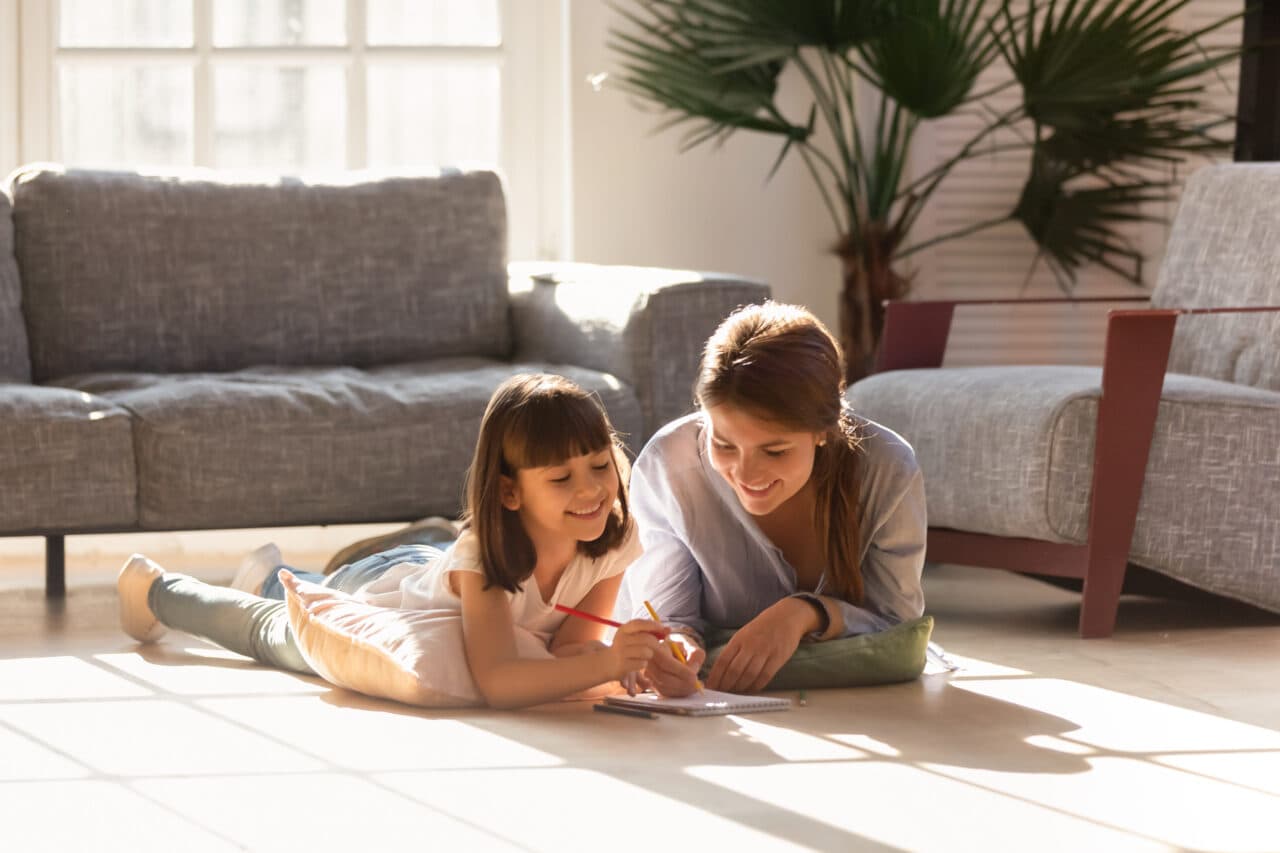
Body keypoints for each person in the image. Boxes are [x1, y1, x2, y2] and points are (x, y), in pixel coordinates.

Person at [117, 373, 665, 709]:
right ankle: (158, 588)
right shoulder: (488, 556)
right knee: (278, 634)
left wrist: (648, 662)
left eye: (599, 464)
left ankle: (413, 540)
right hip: (385, 590)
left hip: (435, 564)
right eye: (561, 478)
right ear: (509, 492)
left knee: (426, 556)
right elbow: (499, 681)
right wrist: (606, 664)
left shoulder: (611, 538)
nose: (593, 489)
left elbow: (570, 647)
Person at [615, 302, 927, 697]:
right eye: (723, 444)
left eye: (775, 451)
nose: (745, 475)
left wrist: (804, 613)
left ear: (822, 431)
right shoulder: (669, 466)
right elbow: (669, 617)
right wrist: (676, 648)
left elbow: (897, 623)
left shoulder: (888, 468)